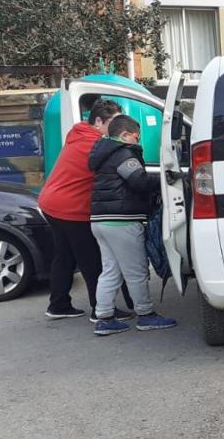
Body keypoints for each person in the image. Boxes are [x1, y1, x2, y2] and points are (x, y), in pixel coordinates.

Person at [38, 98, 133, 322]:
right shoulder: (98, 145)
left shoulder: (78, 135)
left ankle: (58, 305)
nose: (118, 128)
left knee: (65, 256)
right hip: (72, 208)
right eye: (114, 122)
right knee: (91, 260)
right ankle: (100, 309)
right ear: (98, 121)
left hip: (51, 203)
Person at [87, 115, 177, 335]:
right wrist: (167, 180)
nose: (138, 142)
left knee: (110, 271)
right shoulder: (123, 153)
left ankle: (104, 317)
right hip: (121, 220)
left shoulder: (104, 154)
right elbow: (139, 180)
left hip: (100, 220)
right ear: (125, 135)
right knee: (136, 271)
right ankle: (145, 315)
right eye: (136, 137)